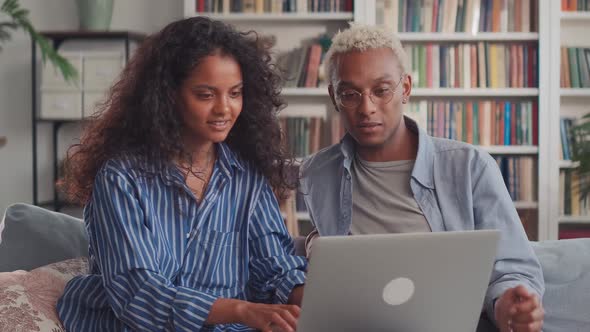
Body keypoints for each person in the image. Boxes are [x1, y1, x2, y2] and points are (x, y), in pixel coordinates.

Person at [57, 17, 306, 332]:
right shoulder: (121, 179)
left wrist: (314, 297)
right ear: (168, 96)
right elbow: (138, 295)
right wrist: (240, 310)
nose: (224, 109)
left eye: (235, 93)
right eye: (206, 95)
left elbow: (275, 270)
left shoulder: (246, 177)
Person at [299, 23, 545, 332]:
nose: (367, 108)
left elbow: (514, 268)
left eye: (381, 90)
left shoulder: (469, 166)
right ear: (334, 96)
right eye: (350, 94)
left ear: (405, 89)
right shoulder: (317, 173)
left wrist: (507, 303)